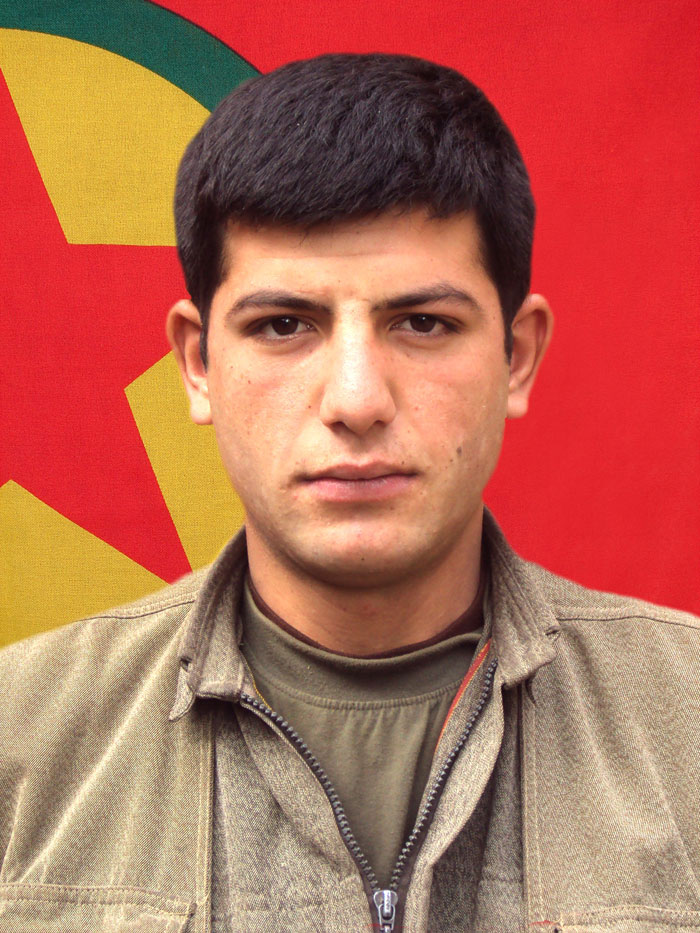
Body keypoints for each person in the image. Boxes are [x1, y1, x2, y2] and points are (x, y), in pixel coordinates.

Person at [1, 53, 698, 933]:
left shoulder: (687, 719)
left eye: (424, 323)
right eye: (284, 325)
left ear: (517, 356)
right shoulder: (20, 737)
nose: (357, 400)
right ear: (198, 363)